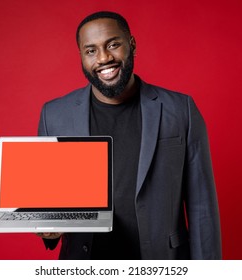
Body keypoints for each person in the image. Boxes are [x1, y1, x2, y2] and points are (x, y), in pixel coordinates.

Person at [37, 11, 221, 260]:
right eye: (91, 51)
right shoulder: (54, 115)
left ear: (132, 45)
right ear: (81, 56)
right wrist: (49, 229)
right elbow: (48, 202)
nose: (103, 58)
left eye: (113, 44)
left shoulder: (180, 110)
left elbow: (203, 210)